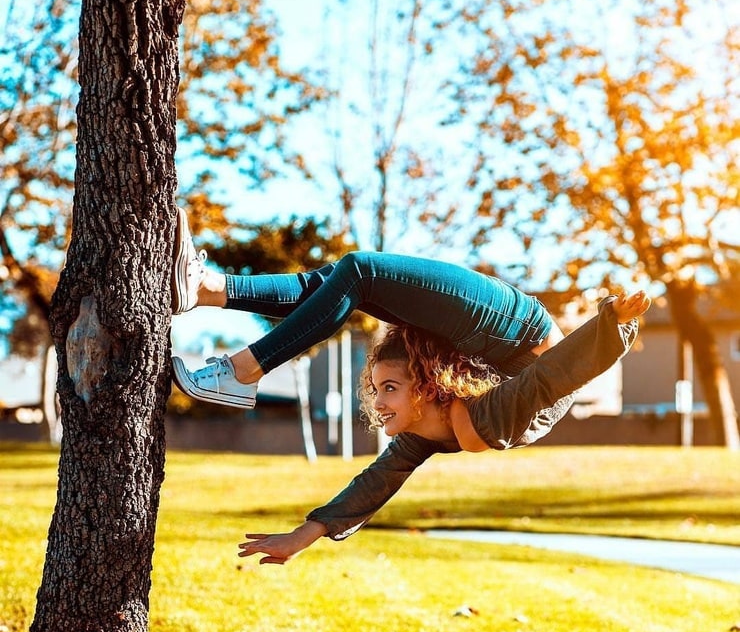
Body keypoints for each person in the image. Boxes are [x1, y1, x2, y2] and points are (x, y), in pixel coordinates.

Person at [168, 207, 650, 564]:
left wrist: (303, 535)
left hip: (495, 344)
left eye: (388, 389)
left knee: (354, 275)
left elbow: (373, 483)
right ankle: (206, 293)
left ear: (422, 387)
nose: (378, 403)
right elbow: (553, 374)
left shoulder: (428, 431)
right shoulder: (489, 417)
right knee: (351, 277)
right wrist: (612, 323)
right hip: (519, 334)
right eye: (380, 389)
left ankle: (241, 365)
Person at [170, 207, 566, 408]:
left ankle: (243, 370)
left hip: (514, 326)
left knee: (361, 271)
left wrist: (616, 323)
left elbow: (583, 356)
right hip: (503, 340)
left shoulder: (555, 371)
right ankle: (205, 290)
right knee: (344, 282)